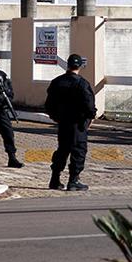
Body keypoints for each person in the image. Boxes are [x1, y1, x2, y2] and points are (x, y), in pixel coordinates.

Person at [45, 53, 96, 191]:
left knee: (62, 150)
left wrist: (56, 117)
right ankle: (73, 180)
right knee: (78, 151)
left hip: (63, 123)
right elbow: (89, 105)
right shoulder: (82, 83)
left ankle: (54, 179)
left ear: (67, 65)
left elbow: (48, 105)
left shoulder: (57, 82)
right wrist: (90, 118)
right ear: (79, 66)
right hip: (78, 124)